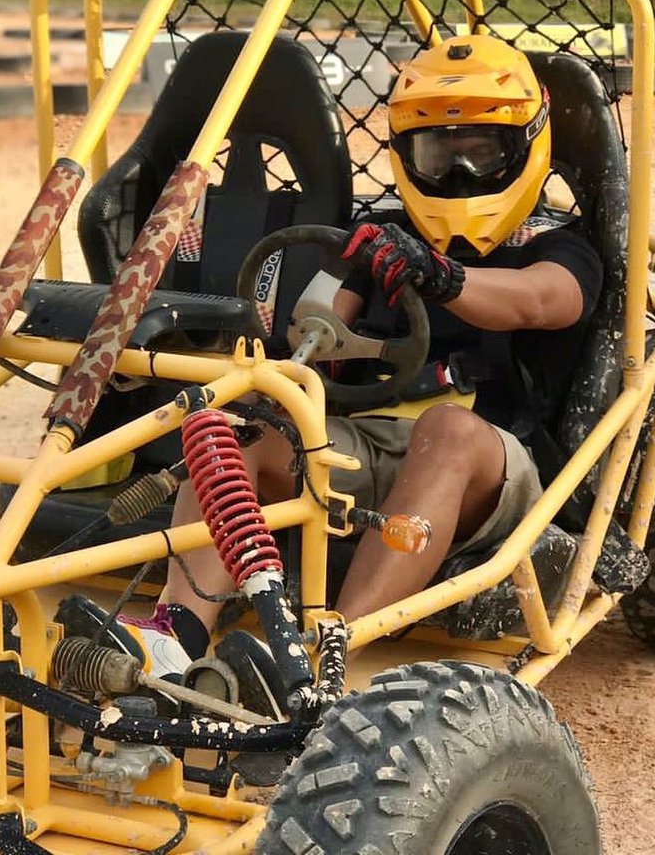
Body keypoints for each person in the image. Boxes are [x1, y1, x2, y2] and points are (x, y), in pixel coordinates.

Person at [120, 35, 603, 711]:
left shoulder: (559, 248)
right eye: (441, 155)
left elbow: (538, 302)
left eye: (483, 153)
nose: (460, 173)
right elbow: (312, 326)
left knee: (449, 429)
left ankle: (330, 647)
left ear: (526, 148)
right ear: (409, 158)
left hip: (494, 469)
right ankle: (177, 633)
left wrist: (442, 276)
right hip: (364, 449)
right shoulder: (381, 240)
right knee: (238, 428)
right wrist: (324, 328)